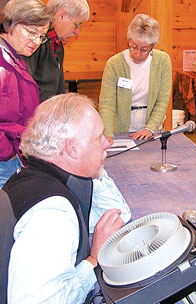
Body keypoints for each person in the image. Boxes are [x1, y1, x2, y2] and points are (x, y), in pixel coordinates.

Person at [1, 93, 131, 303]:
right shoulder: (52, 213)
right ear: (72, 148)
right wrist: (94, 259)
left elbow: (119, 215)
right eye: (99, 138)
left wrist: (95, 168)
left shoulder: (35, 176)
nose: (107, 143)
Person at [0, 0, 51, 188]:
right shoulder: (2, 62)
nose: (36, 41)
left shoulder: (14, 58)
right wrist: (7, 152)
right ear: (10, 24)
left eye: (41, 36)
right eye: (31, 32)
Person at [99, 14, 172, 143]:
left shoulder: (163, 61)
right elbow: (107, 102)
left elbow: (162, 100)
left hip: (151, 128)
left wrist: (150, 128)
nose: (137, 54)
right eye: (133, 47)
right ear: (129, 40)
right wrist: (108, 133)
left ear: (152, 47)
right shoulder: (114, 64)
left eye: (144, 50)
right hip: (121, 128)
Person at [22, 0, 90, 102]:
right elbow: (25, 88)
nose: (77, 31)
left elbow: (60, 90)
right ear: (61, 16)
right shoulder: (36, 44)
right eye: (77, 25)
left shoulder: (58, 47)